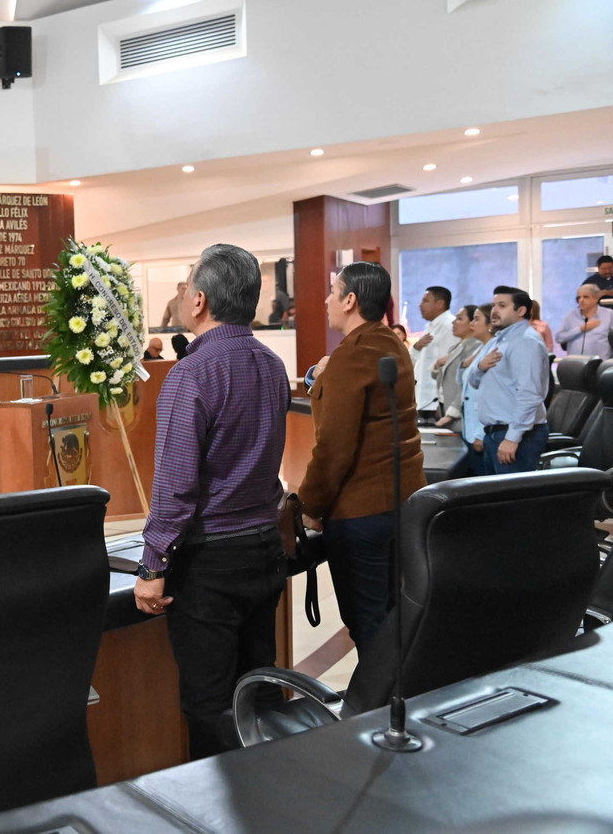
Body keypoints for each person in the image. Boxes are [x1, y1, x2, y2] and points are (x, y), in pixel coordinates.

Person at [133, 243, 289, 760]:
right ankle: (267, 792)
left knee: (210, 707)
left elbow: (176, 485)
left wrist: (153, 564)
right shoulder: (272, 365)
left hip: (211, 562)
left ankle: (218, 801)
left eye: (186, 289)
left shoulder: (192, 374)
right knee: (258, 693)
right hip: (264, 548)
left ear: (199, 301)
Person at [299, 262, 424, 653]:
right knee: (391, 615)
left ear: (350, 300)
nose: (326, 301)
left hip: (362, 510)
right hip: (401, 502)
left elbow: (334, 447)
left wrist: (309, 505)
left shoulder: (352, 354)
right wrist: (321, 376)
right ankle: (393, 688)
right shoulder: (390, 343)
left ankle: (377, 694)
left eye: (332, 292)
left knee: (367, 621)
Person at [465, 286, 551, 473]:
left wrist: (513, 438)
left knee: (513, 492)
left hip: (517, 435)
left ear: (520, 311)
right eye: (494, 305)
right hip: (494, 433)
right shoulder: (498, 340)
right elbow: (473, 381)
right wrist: (480, 367)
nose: (494, 311)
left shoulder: (525, 341)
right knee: (493, 491)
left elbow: (529, 393)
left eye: (502, 306)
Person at [455, 304, 494, 477]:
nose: (472, 324)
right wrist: (464, 364)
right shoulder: (482, 347)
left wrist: (481, 433)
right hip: (469, 428)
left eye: (477, 319)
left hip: (481, 429)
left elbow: (490, 396)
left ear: (490, 324)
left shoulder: (493, 350)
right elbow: (462, 383)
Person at [412, 286, 456, 419]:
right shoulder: (430, 327)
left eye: (425, 301)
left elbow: (448, 367)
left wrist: (443, 402)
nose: (420, 305)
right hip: (423, 401)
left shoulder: (449, 326)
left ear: (440, 304)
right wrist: (416, 347)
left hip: (436, 403)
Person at [432, 304, 479, 429]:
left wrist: (452, 412)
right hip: (446, 407)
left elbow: (466, 383)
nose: (453, 322)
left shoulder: (474, 347)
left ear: (472, 323)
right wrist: (437, 366)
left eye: (459, 319)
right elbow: (443, 377)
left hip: (460, 413)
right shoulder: (455, 347)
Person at [555, 284, 613, 359]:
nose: (581, 300)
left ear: (596, 298)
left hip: (601, 363)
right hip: (575, 363)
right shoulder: (570, 316)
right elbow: (559, 338)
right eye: (579, 297)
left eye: (586, 297)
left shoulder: (609, 315)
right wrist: (580, 329)